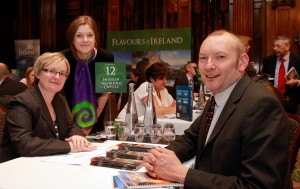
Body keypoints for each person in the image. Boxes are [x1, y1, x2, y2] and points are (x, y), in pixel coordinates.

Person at [142, 30, 291, 188]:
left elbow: (257, 185)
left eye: (220, 57)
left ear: (242, 62)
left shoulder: (262, 106)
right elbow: (191, 138)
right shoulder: (219, 97)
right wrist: (159, 158)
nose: (209, 66)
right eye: (203, 58)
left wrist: (182, 174)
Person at [1, 52, 95, 163]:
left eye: (62, 73)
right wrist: (69, 146)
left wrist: (76, 136)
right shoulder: (22, 101)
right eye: (51, 71)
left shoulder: (59, 99)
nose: (57, 77)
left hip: (48, 162)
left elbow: (71, 125)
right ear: (38, 73)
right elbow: (25, 144)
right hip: (16, 166)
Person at [61, 15, 114, 135]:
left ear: (95, 38)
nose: (85, 40)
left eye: (90, 35)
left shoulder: (106, 57)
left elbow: (105, 95)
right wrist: (73, 125)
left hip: (96, 122)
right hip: (66, 123)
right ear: (72, 39)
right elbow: (60, 97)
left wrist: (89, 124)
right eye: (79, 36)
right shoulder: (63, 58)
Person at [262, 35, 300, 113]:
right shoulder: (268, 60)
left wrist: (297, 82)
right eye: (274, 46)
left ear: (287, 46)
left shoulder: (298, 60)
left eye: (278, 46)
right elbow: (264, 79)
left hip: (291, 99)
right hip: (272, 98)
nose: (275, 49)